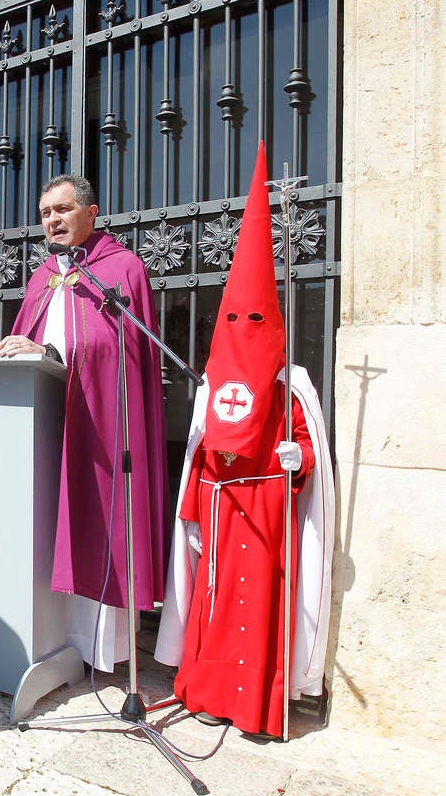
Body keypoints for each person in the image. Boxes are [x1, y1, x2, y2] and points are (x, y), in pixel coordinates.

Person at [154, 144, 335, 738]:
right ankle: (206, 692)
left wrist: (297, 456)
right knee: (213, 605)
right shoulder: (215, 383)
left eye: (254, 320)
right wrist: (192, 516)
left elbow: (310, 452)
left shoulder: (292, 386)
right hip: (219, 507)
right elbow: (199, 455)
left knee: (258, 609)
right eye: (234, 319)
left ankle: (257, 704)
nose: (243, 329)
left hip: (267, 508)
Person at [0, 174, 170, 671]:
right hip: (41, 427)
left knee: (93, 521)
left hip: (95, 430)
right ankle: (40, 636)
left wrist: (50, 353)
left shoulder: (121, 270)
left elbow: (120, 353)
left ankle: (98, 649)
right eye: (46, 212)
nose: (52, 220)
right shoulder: (40, 277)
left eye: (63, 209)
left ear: (91, 213)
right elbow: (24, 335)